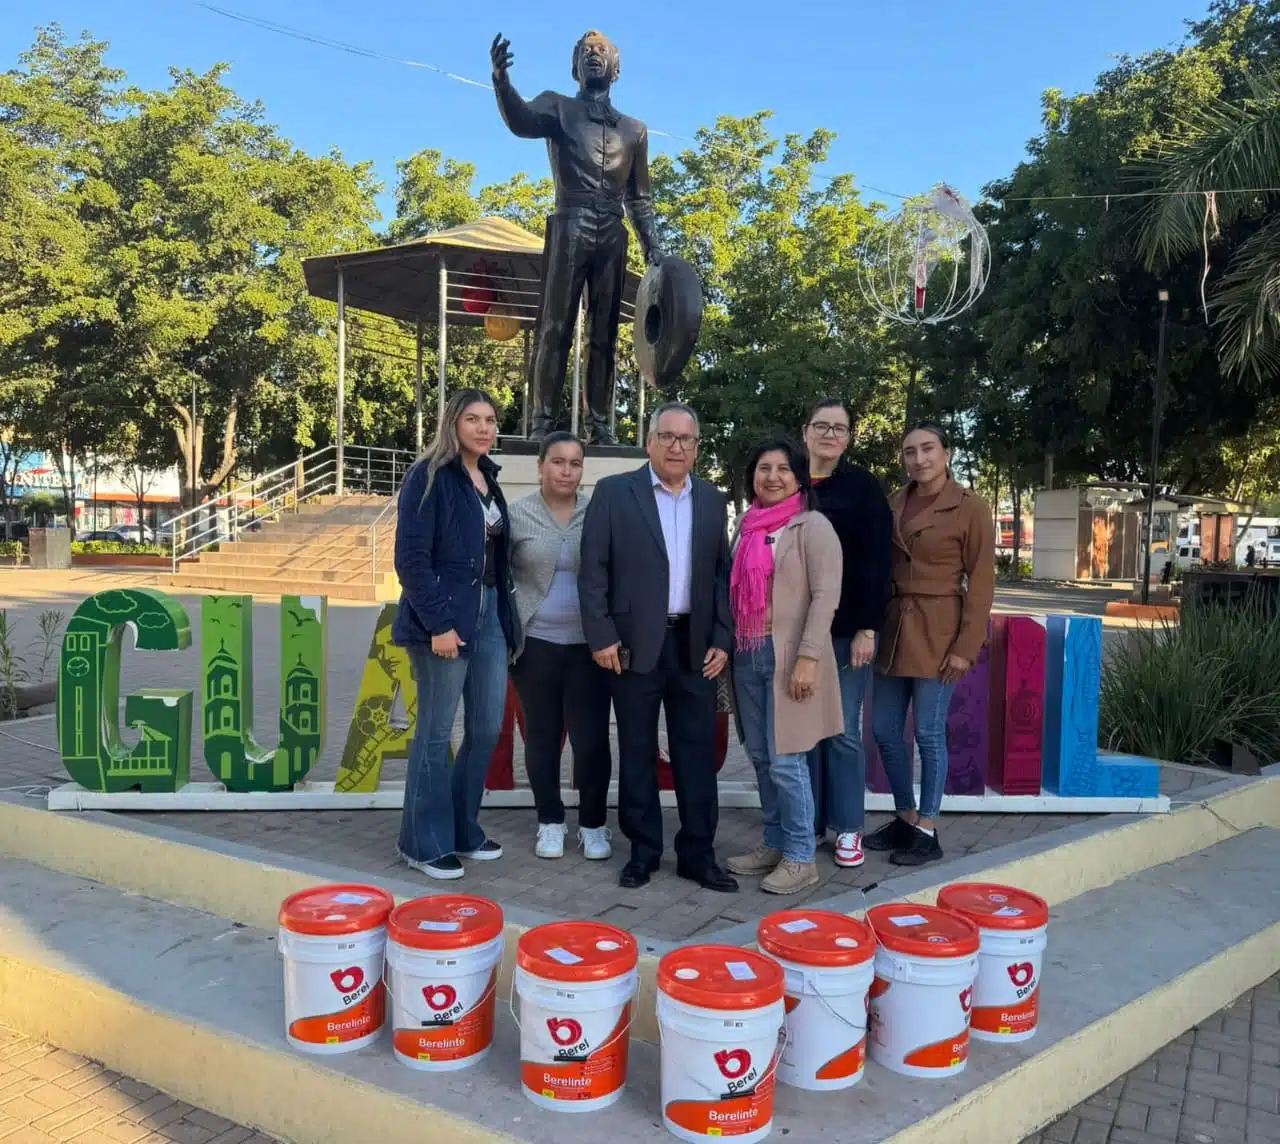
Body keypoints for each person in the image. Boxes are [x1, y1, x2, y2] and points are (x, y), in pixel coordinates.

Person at [578, 402, 737, 892]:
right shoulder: (613, 493)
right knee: (637, 750)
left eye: (686, 439)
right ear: (649, 442)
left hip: (695, 647)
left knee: (696, 753)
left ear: (696, 447)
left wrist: (723, 638)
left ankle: (698, 854)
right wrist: (601, 634)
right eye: (666, 437)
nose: (676, 446)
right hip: (631, 646)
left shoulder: (712, 500)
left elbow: (721, 577)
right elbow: (593, 569)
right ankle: (643, 852)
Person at [392, 388, 519, 880]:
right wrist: (439, 624)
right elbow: (412, 560)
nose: (484, 428)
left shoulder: (488, 479)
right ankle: (421, 841)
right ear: (453, 424)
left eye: (490, 420)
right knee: (436, 733)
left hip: (489, 616)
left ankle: (464, 828)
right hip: (443, 618)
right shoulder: (429, 477)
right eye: (473, 419)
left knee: (487, 727)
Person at [866, 421, 995, 867]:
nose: (918, 459)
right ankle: (905, 814)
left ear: (946, 454)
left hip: (940, 628)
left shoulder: (971, 508)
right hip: (893, 625)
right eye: (909, 452)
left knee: (927, 732)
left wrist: (966, 646)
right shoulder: (894, 503)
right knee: (883, 728)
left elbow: (980, 584)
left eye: (927, 449)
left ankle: (928, 827)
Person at [725, 438, 844, 895]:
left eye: (781, 469)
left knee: (786, 760)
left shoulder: (811, 526)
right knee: (758, 757)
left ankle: (800, 856)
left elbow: (825, 596)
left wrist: (809, 658)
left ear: (798, 477)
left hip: (790, 656)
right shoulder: (748, 528)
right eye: (762, 468)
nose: (771, 477)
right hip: (748, 653)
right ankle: (773, 843)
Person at [508, 431, 613, 862]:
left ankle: (593, 824)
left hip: (591, 647)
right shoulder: (517, 515)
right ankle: (549, 821)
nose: (566, 471)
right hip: (536, 644)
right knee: (543, 737)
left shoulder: (599, 513)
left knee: (591, 741)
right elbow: (497, 576)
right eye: (557, 462)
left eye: (575, 463)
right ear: (540, 466)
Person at [802, 397, 893, 869]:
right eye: (822, 426)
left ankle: (849, 829)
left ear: (849, 438)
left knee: (842, 731)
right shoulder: (789, 482)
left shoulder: (863, 489)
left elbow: (877, 562)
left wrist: (866, 628)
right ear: (806, 432)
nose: (830, 435)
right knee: (805, 732)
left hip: (844, 631)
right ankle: (812, 821)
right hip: (796, 635)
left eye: (839, 428)